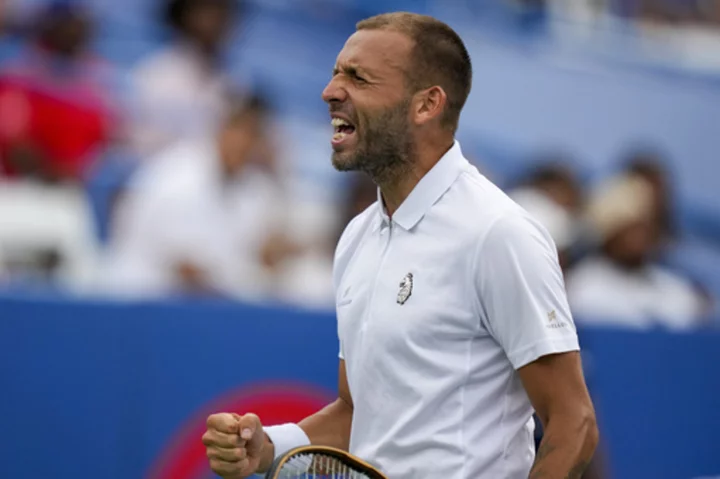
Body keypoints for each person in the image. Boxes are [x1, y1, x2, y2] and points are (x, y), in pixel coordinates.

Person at [202, 12, 598, 479]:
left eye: (358, 77)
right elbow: (358, 414)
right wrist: (268, 447)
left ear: (426, 104)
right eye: (335, 72)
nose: (330, 91)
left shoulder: (498, 233)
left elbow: (574, 424)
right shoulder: (357, 237)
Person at [99, 95, 292, 301]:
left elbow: (265, 252)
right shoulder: (177, 176)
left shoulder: (251, 186)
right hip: (138, 298)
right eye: (239, 131)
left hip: (194, 306)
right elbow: (189, 270)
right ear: (220, 130)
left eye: (254, 135)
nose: (244, 143)